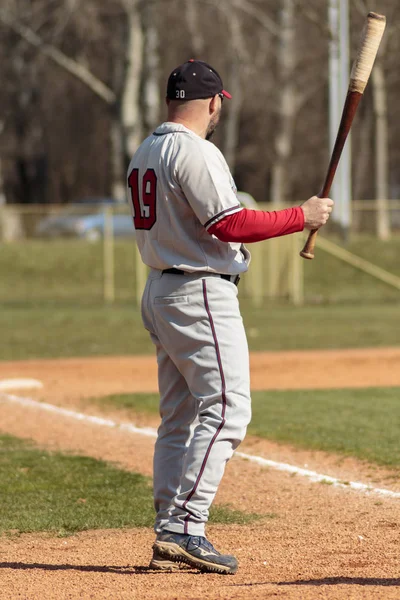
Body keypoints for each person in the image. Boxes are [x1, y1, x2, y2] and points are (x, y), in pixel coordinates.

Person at [127, 59, 333, 575]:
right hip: (198, 293)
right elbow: (232, 222)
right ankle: (185, 528)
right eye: (221, 102)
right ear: (213, 101)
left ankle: (169, 530)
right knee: (227, 410)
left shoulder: (146, 149)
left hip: (161, 289)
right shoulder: (195, 151)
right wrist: (300, 217)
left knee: (179, 418)